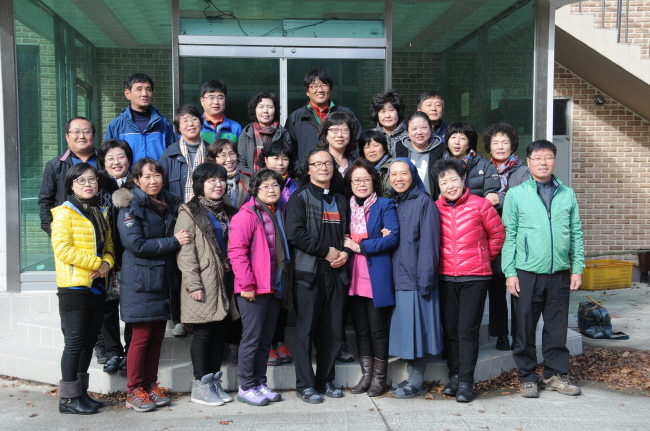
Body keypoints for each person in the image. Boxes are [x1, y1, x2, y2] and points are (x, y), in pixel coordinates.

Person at [502, 140, 584, 399]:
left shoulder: (567, 193)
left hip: (559, 272)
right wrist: (510, 272)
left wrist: (577, 268)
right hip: (527, 272)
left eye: (548, 157)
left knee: (557, 327)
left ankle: (554, 374)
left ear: (554, 161)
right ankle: (527, 376)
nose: (543, 162)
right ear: (528, 162)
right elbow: (509, 235)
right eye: (537, 157)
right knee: (524, 327)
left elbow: (576, 233)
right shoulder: (516, 194)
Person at [113, 158, 191, 412]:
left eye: (156, 175)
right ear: (136, 180)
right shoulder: (130, 206)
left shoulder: (169, 203)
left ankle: (149, 385)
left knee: (157, 337)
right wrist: (173, 241)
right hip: (140, 283)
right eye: (146, 176)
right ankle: (134, 390)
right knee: (141, 338)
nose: (153, 180)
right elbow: (135, 244)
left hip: (162, 279)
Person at [433, 159, 505, 403]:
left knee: (467, 330)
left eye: (454, 180)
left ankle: (465, 381)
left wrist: (483, 256)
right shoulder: (435, 208)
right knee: (451, 330)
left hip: (475, 278)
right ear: (439, 186)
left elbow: (498, 234)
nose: (450, 185)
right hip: (445, 277)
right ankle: (454, 376)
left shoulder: (480, 204)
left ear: (462, 181)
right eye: (444, 182)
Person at [286, 149, 352, 404]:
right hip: (309, 275)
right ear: (309, 169)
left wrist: (345, 252)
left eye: (328, 163)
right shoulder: (300, 197)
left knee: (333, 331)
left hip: (337, 272)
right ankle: (305, 385)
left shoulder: (341, 199)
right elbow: (295, 233)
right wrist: (326, 251)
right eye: (317, 164)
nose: (323, 167)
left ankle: (325, 380)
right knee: (306, 332)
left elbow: (349, 233)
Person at [175, 163, 238, 407]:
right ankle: (200, 385)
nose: (218, 184)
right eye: (212, 180)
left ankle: (213, 382)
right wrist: (193, 284)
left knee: (220, 333)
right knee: (203, 333)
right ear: (200, 184)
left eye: (221, 180)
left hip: (226, 280)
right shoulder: (189, 211)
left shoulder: (228, 211)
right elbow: (186, 251)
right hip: (203, 281)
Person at [52, 163, 114, 415]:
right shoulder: (63, 213)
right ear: (71, 185)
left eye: (92, 179)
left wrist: (107, 264)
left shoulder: (99, 212)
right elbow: (62, 249)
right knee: (75, 342)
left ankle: (80, 393)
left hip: (97, 286)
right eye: (81, 180)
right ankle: (67, 400)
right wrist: (97, 264)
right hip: (74, 287)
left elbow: (109, 246)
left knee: (89, 341)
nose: (88, 184)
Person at [229, 168, 291, 406]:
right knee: (252, 338)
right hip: (252, 287)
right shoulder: (246, 215)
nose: (271, 190)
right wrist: (246, 283)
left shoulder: (279, 212)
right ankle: (246, 386)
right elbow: (237, 252)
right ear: (255, 190)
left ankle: (259, 383)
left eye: (275, 185)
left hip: (274, 284)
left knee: (266, 339)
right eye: (265, 186)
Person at [342, 159, 399, 397]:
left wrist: (359, 246)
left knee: (377, 329)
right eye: (356, 180)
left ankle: (380, 379)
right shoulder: (346, 207)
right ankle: (366, 377)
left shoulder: (385, 204)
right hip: (352, 275)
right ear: (350, 183)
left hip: (376, 276)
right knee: (361, 330)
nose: (361, 184)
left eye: (366, 179)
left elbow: (392, 237)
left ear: (374, 181)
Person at [388, 158, 443, 399]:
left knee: (419, 331)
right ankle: (411, 377)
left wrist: (425, 279)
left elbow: (430, 244)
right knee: (409, 332)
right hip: (399, 277)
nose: (398, 179)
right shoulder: (394, 203)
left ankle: (418, 380)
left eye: (404, 173)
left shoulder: (424, 202)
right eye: (393, 174)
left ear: (413, 176)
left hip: (418, 279)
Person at [483, 122, 530, 351]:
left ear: (512, 145)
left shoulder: (523, 171)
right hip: (491, 236)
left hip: (515, 236)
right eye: (495, 143)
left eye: (505, 142)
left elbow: (526, 200)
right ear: (489, 146)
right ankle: (501, 334)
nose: (500, 146)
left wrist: (500, 199)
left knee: (517, 286)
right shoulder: (484, 169)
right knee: (496, 286)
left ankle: (520, 335)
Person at [256, 141, 297, 366]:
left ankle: (278, 340)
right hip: (265, 252)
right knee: (267, 301)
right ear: (265, 160)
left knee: (282, 299)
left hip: (288, 249)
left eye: (285, 158)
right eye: (275, 158)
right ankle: (267, 344)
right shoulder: (258, 184)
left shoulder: (294, 186)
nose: (280, 162)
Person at [95, 139, 133, 376]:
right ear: (103, 162)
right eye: (110, 158)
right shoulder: (97, 185)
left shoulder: (137, 183)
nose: (116, 162)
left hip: (132, 257)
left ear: (129, 159)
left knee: (131, 307)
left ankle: (130, 353)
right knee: (107, 306)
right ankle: (112, 352)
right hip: (105, 257)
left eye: (120, 157)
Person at [285, 68, 360, 167]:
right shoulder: (295, 118)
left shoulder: (346, 114)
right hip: (307, 174)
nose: (320, 90)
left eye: (324, 85)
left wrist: (349, 168)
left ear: (330, 89)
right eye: (314, 85)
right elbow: (289, 151)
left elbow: (357, 144)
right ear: (307, 92)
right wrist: (301, 171)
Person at [38, 117, 99, 236]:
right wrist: (52, 229)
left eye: (87, 132)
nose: (81, 136)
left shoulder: (105, 162)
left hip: (102, 228)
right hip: (68, 231)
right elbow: (45, 199)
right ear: (67, 137)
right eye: (76, 132)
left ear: (93, 135)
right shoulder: (55, 165)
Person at [104, 73, 175, 163]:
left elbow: (173, 156)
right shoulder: (116, 125)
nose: (144, 94)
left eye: (148, 89)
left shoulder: (164, 123)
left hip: (158, 172)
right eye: (139, 89)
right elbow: (108, 158)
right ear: (127, 94)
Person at [160, 104, 209, 203]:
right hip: (178, 210)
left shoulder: (211, 151)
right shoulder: (170, 154)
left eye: (194, 119)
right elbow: (161, 187)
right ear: (178, 127)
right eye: (185, 121)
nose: (190, 124)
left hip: (207, 209)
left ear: (201, 123)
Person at [444, 122, 500, 207]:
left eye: (462, 138)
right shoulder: (441, 166)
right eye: (453, 137)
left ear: (469, 143)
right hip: (449, 213)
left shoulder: (486, 166)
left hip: (477, 213)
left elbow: (491, 198)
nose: (456, 142)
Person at [237, 92, 291, 174]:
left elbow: (288, 160)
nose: (265, 111)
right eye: (261, 107)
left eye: (270, 107)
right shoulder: (246, 133)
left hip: (278, 180)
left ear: (275, 110)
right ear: (254, 110)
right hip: (251, 180)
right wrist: (256, 178)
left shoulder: (283, 133)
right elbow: (241, 163)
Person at [395, 111, 444, 198]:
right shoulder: (400, 149)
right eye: (414, 129)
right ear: (407, 132)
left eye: (423, 127)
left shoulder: (441, 150)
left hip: (434, 202)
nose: (419, 132)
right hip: (406, 202)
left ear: (430, 129)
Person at [207, 139, 251, 210]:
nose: (229, 159)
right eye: (223, 155)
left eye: (232, 154)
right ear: (214, 159)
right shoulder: (207, 181)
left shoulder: (248, 179)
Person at [199, 79, 242, 145]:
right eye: (211, 97)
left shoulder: (235, 127)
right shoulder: (194, 126)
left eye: (220, 97)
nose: (216, 102)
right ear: (202, 101)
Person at [317, 111, 358, 175]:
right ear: (326, 135)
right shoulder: (317, 161)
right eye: (334, 130)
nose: (339, 135)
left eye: (345, 130)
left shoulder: (356, 164)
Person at [371, 90, 408, 156]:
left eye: (391, 110)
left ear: (398, 112)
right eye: (383, 111)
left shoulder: (410, 134)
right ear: (376, 114)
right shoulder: (371, 135)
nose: (388, 115)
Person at [359, 130, 393, 199]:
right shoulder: (359, 169)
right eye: (367, 147)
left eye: (376, 146)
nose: (372, 150)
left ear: (384, 148)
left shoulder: (393, 166)